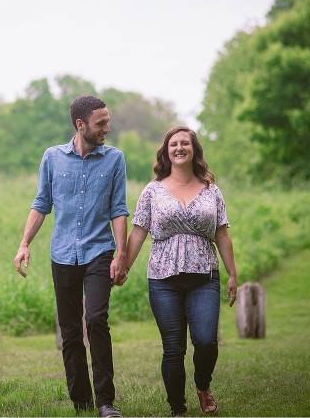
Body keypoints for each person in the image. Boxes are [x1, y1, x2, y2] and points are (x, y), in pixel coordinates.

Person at [13, 95, 129, 418]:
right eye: (101, 123)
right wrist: (24, 243)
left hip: (99, 252)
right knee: (70, 331)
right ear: (81, 125)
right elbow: (41, 204)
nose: (108, 127)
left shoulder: (115, 159)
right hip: (62, 254)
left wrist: (121, 254)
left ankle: (106, 401)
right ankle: (81, 402)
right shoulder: (52, 158)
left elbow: (118, 209)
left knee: (95, 319)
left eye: (108, 120)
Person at [122, 126, 237, 416]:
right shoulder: (153, 190)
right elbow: (138, 233)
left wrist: (232, 274)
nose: (179, 148)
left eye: (185, 143)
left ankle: (202, 384)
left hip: (204, 278)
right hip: (162, 279)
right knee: (173, 348)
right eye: (174, 144)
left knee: (206, 340)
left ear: (194, 149)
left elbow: (222, 234)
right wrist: (123, 266)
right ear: (166, 151)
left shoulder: (212, 190)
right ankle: (177, 408)